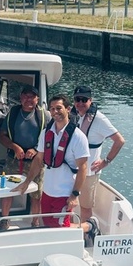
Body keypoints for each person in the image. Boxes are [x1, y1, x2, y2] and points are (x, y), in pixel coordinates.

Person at [13, 95, 99, 244]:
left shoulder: (78, 137)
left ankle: (89, 226)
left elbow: (83, 168)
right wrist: (27, 181)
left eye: (59, 108)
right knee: (48, 225)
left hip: (64, 193)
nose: (55, 112)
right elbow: (39, 159)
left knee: (60, 228)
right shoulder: (46, 133)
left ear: (68, 109)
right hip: (48, 190)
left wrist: (74, 195)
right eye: (52, 109)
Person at [70, 85, 125, 223]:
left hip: (88, 173)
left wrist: (105, 162)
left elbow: (119, 141)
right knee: (68, 203)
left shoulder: (99, 119)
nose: (80, 103)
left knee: (85, 208)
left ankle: (86, 235)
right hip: (71, 170)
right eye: (77, 100)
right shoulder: (74, 115)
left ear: (90, 100)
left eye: (84, 100)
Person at [0, 85, 49, 228]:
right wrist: (14, 147)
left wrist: (36, 149)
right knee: (8, 191)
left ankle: (35, 222)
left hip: (36, 161)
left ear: (37, 99)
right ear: (21, 98)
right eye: (26, 96)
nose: (29, 99)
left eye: (32, 96)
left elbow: (51, 139)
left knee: (36, 194)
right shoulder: (12, 113)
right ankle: (4, 221)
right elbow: (1, 136)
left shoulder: (45, 116)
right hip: (14, 160)